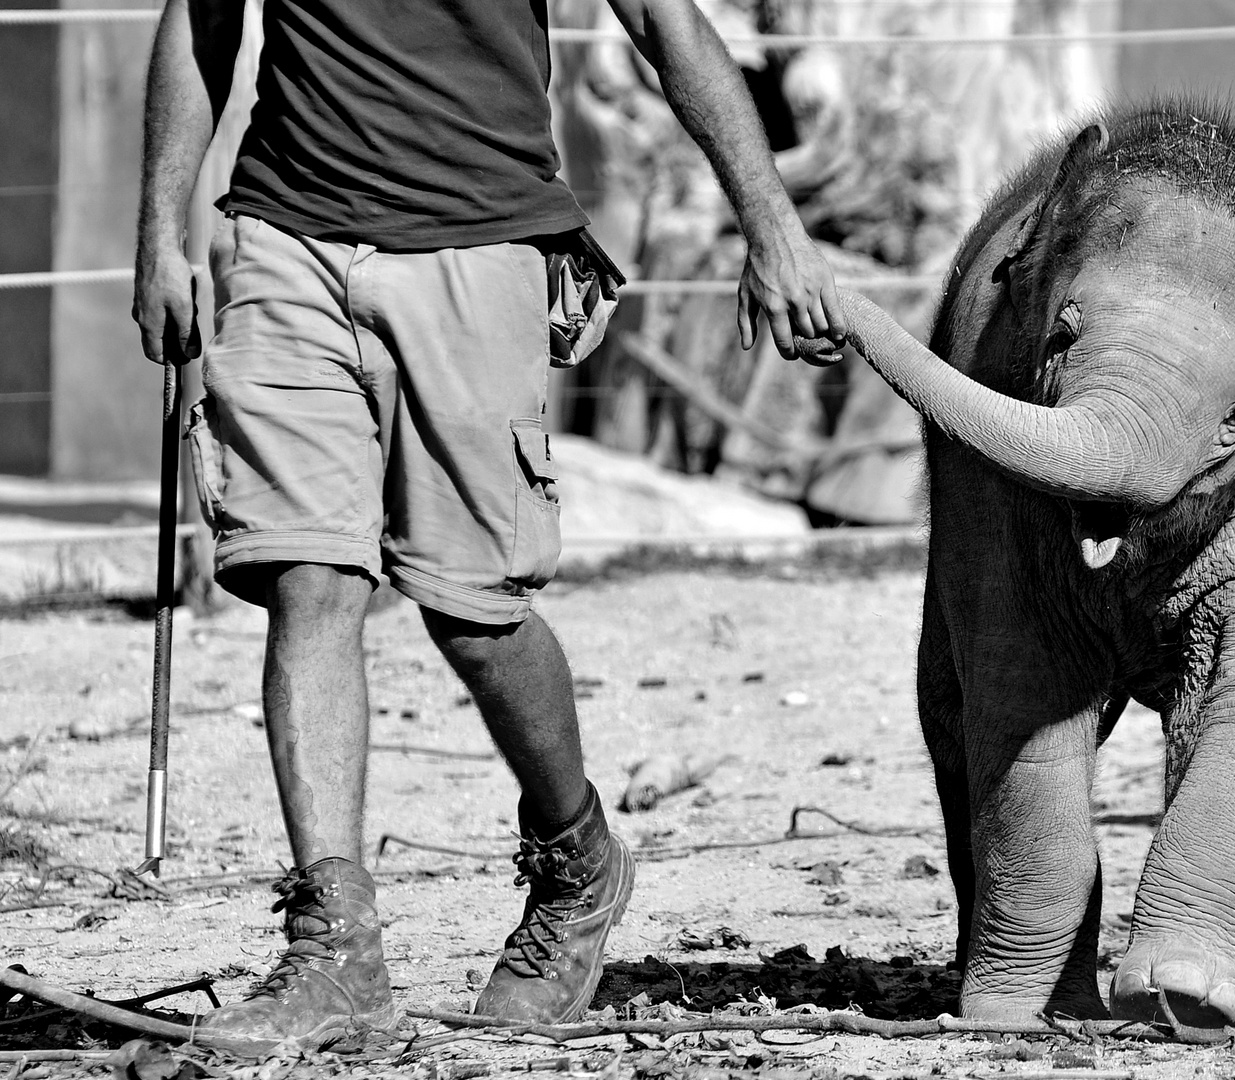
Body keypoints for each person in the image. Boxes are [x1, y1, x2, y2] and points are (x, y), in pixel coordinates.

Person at [132, 0, 845, 1044]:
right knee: (310, 579)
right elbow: (198, 26)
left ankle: (577, 858)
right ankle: (335, 952)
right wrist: (159, 232)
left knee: (473, 614)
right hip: (286, 236)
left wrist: (772, 224)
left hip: (481, 243)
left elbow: (664, 22)